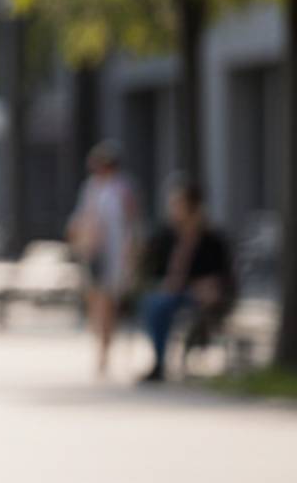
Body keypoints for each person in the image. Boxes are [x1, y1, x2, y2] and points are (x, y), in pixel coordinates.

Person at [137, 174, 236, 382]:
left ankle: (191, 351)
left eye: (178, 203)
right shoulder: (166, 236)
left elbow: (223, 273)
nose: (173, 208)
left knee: (172, 305)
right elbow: (153, 268)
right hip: (173, 292)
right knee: (156, 303)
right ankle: (159, 362)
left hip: (201, 293)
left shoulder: (211, 238)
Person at [67, 139, 140, 378]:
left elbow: (131, 224)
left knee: (108, 302)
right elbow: (81, 218)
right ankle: (100, 346)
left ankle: (104, 351)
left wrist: (131, 255)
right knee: (95, 302)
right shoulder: (91, 187)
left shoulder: (122, 189)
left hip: (115, 253)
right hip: (93, 252)